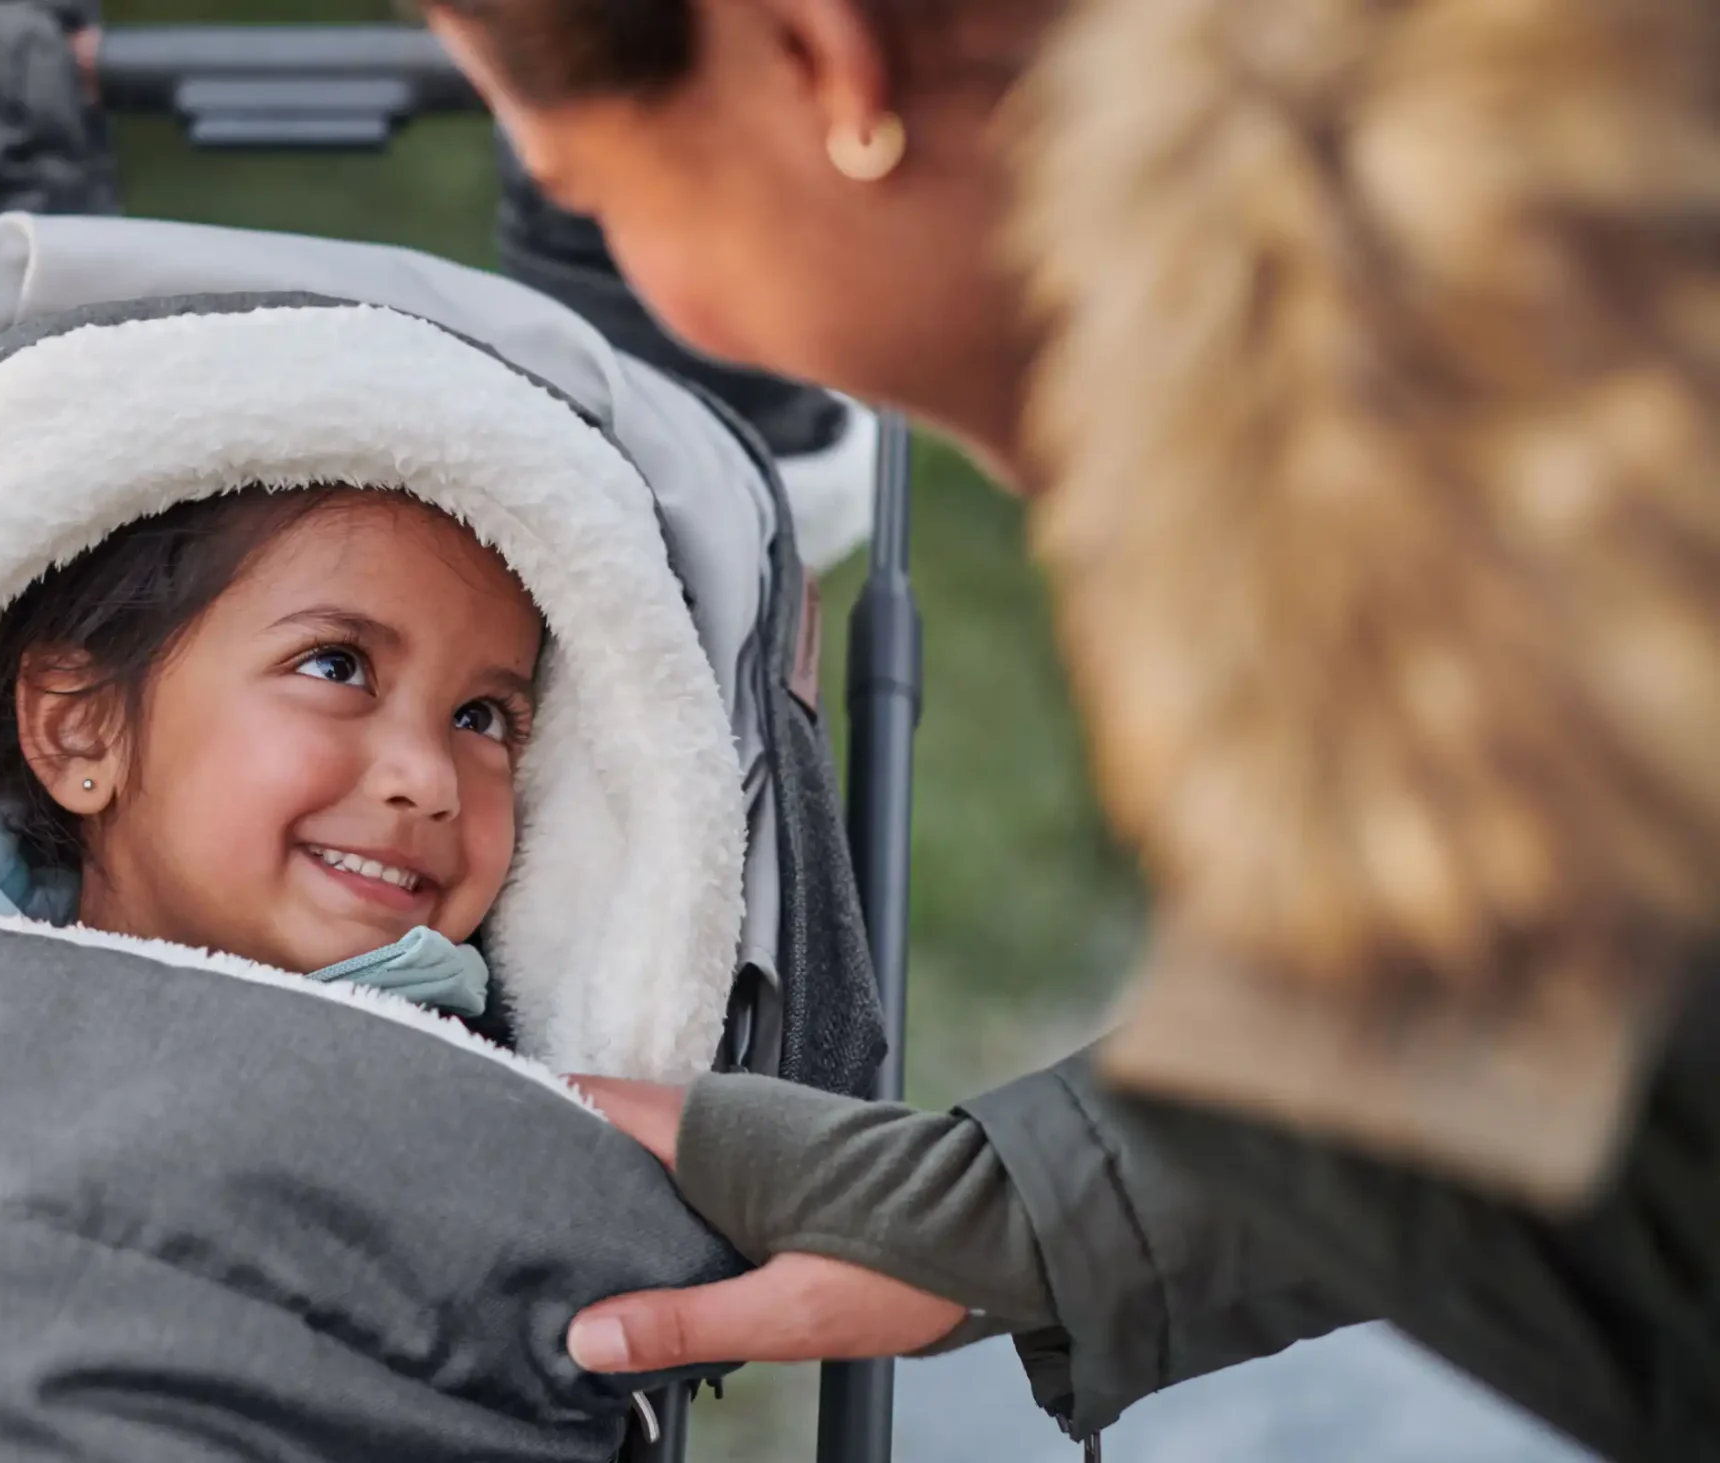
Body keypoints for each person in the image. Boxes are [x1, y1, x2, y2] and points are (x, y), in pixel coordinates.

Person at [420, 1, 1720, 1458]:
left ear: (818, 59)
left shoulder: (1535, 573)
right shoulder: (1545, 362)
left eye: (591, 195)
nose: (651, 291)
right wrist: (1035, 1206)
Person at [0, 485, 540, 1031]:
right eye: (335, 666)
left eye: (480, 718)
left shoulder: (544, 1109)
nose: (429, 778)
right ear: (83, 726)